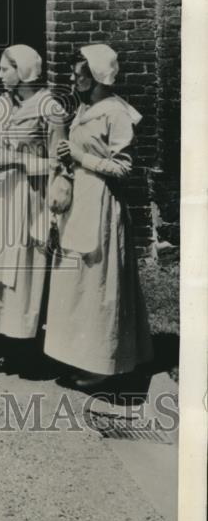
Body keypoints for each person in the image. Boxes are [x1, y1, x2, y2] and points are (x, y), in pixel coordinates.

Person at [44, 44, 153, 390]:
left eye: (80, 74)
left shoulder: (116, 113)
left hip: (102, 203)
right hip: (79, 202)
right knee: (78, 285)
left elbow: (123, 169)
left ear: (97, 76)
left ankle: (105, 365)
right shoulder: (85, 109)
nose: (73, 78)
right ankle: (81, 356)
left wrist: (78, 155)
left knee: (99, 283)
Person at [0, 45, 67, 375]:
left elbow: (60, 162)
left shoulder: (50, 107)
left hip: (30, 198)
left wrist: (15, 160)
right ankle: (5, 341)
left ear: (22, 70)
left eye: (5, 68)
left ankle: (29, 344)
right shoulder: (3, 103)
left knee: (25, 269)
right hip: (2, 196)